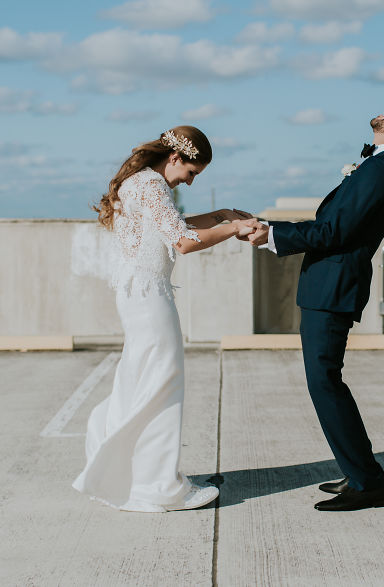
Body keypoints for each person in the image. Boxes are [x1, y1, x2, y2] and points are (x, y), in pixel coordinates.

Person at [245, 97, 384, 511]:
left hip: (334, 288)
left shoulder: (382, 169)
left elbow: (332, 231)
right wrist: (270, 229)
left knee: (325, 383)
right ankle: (359, 471)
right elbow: (334, 227)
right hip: (328, 286)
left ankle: (367, 480)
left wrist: (269, 234)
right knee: (325, 382)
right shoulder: (379, 167)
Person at [72, 126, 253, 512]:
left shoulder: (139, 182)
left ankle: (126, 474)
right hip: (149, 295)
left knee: (140, 382)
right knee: (162, 385)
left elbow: (174, 226)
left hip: (135, 292)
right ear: (175, 158)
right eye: (191, 173)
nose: (189, 182)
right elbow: (184, 242)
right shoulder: (153, 185)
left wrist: (221, 215)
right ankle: (159, 486)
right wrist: (234, 227)